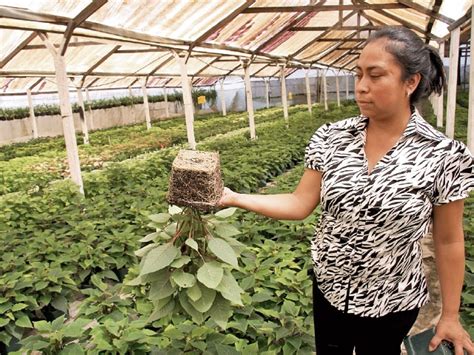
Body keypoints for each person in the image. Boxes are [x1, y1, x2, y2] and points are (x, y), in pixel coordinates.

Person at [219, 26, 474, 355]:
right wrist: (234, 198)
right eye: (358, 74)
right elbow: (300, 202)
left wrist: (450, 316)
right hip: (330, 287)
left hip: (393, 296)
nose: (362, 87)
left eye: (376, 75)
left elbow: (448, 239)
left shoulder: (445, 155)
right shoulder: (331, 137)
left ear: (410, 83)